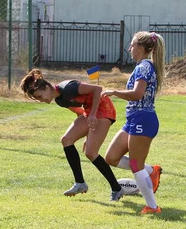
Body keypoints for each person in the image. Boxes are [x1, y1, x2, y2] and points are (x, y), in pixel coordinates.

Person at [20, 69, 127, 201]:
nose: (41, 100)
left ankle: (117, 189)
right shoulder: (60, 100)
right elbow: (80, 113)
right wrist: (88, 134)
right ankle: (80, 183)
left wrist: (92, 115)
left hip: (104, 108)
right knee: (66, 140)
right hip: (89, 112)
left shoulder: (68, 87)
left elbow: (97, 89)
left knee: (90, 153)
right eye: (37, 99)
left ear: (47, 87)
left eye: (40, 96)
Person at [103, 31, 165, 214]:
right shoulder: (142, 66)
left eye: (132, 45)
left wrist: (114, 92)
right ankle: (151, 171)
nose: (130, 48)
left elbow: (137, 94)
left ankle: (152, 207)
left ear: (141, 48)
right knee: (111, 157)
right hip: (134, 119)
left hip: (143, 119)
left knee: (135, 165)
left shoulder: (144, 66)